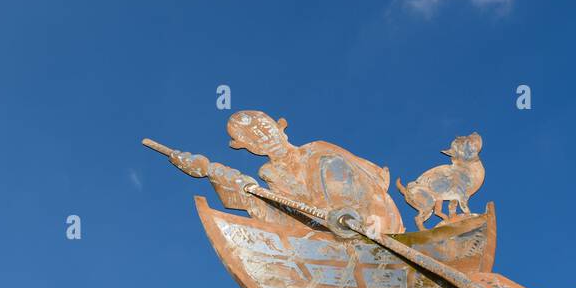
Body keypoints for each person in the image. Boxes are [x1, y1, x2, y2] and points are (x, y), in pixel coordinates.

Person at [168, 111, 404, 236]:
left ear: (279, 127)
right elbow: (294, 223)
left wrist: (364, 219)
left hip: (377, 226)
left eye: (264, 128)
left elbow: (367, 186)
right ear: (246, 146)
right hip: (338, 240)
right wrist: (217, 175)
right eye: (252, 136)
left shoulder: (318, 150)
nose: (262, 136)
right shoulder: (273, 177)